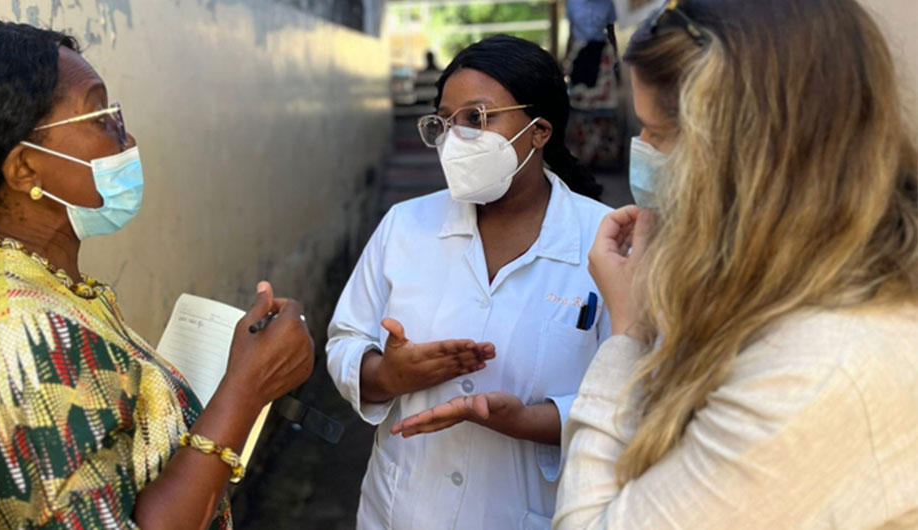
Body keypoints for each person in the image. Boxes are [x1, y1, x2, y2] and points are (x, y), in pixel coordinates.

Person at [0, 20, 314, 529]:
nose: (127, 137)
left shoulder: (14, 277)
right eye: (102, 117)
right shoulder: (17, 337)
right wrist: (245, 390)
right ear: (25, 169)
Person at [551, 0, 918, 528]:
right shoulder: (787, 287)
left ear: (745, 158)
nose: (642, 150)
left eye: (659, 133)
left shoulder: (816, 372)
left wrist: (626, 334)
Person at [328, 35, 610, 530]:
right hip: (402, 510)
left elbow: (636, 395)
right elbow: (345, 340)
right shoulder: (404, 224)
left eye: (477, 118)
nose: (455, 137)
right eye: (445, 121)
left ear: (539, 130)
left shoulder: (605, 241)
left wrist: (530, 421)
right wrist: (386, 375)